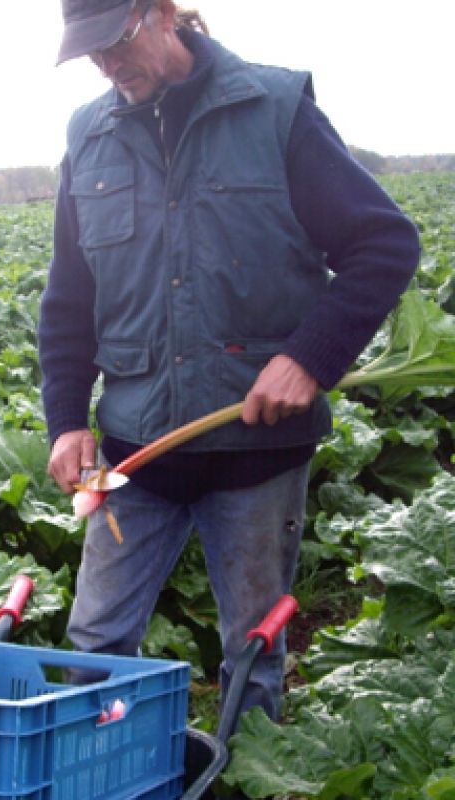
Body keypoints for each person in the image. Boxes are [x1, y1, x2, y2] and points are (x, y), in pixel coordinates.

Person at [39, 0, 420, 735]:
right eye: (90, 54)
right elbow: (68, 301)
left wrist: (310, 357)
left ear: (160, 14)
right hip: (134, 457)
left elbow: (384, 244)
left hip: (257, 455)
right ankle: (104, 771)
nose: (108, 66)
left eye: (116, 42)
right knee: (93, 648)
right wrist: (63, 423)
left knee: (251, 656)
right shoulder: (88, 135)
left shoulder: (273, 109)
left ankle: (245, 778)